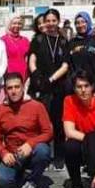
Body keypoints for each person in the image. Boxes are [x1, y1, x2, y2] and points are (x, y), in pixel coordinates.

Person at [0, 73, 52, 188]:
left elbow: (48, 132)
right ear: (5, 90)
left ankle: (32, 182)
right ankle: (21, 177)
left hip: (33, 151)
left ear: (23, 87)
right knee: (2, 180)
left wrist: (30, 144)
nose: (14, 91)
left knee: (43, 151)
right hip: (13, 155)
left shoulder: (36, 106)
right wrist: (3, 153)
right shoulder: (0, 110)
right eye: (10, 88)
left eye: (17, 87)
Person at [28, 9, 69, 164]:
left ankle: (59, 156)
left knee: (58, 122)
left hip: (58, 86)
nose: (51, 24)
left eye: (53, 20)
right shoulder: (38, 40)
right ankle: (42, 156)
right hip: (41, 87)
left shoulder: (63, 41)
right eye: (48, 21)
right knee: (41, 123)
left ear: (58, 21)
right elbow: (32, 60)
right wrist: (37, 76)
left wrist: (51, 79)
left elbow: (65, 65)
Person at [66, 12, 95, 100]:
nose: (80, 25)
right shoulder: (71, 43)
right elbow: (68, 66)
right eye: (77, 23)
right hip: (76, 90)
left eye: (83, 22)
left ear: (88, 22)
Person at [1, 17, 31, 84]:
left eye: (19, 23)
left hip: (24, 71)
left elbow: (28, 57)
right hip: (9, 71)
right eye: (14, 23)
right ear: (9, 24)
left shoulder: (25, 40)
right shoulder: (3, 40)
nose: (17, 25)